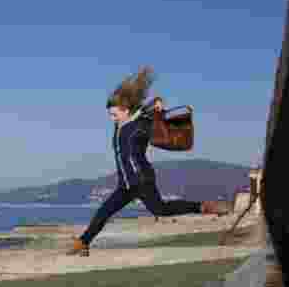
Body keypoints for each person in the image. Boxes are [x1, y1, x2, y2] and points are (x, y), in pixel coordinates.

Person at [68, 66, 223, 256]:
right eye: (110, 115)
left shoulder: (140, 124)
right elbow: (138, 109)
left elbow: (150, 114)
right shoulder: (119, 126)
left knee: (161, 209)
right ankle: (83, 242)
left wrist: (157, 106)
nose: (111, 118)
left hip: (142, 180)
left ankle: (201, 206)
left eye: (114, 114)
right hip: (125, 184)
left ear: (125, 110)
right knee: (104, 211)